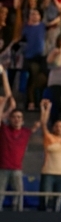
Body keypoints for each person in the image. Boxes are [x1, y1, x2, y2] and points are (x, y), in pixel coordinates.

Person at [0, 72, 27, 211]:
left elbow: (11, 101)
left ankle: (18, 216)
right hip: (3, 167)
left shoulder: (22, 130)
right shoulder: (4, 128)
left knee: (18, 194)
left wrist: (4, 75)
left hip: (15, 168)